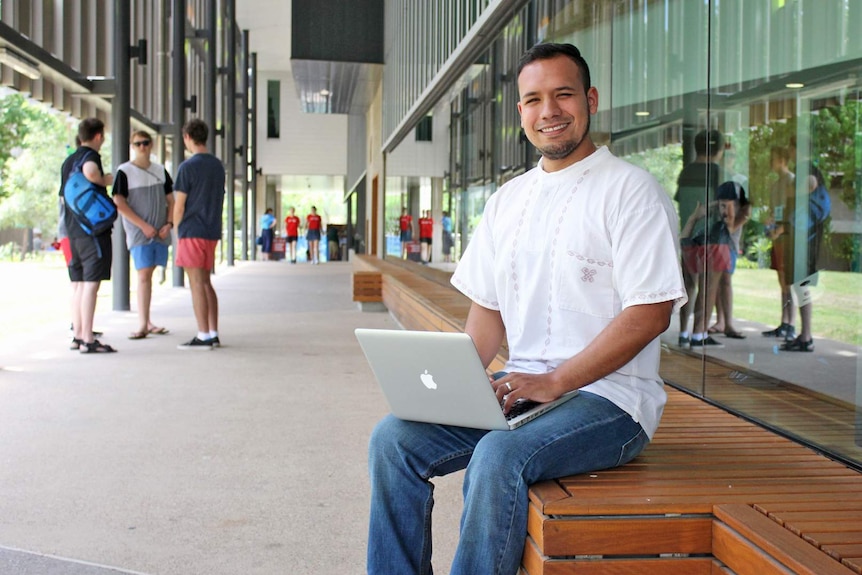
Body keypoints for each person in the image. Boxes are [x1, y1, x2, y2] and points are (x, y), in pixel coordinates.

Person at [366, 43, 685, 575]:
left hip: (611, 402)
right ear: (521, 113)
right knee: (393, 439)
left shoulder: (631, 191)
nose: (549, 111)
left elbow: (650, 313)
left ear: (590, 99)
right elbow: (488, 311)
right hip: (522, 390)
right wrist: (455, 386)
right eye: (534, 99)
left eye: (563, 94)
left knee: (496, 455)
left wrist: (556, 380)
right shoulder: (507, 200)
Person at [60, 118, 116, 354]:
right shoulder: (90, 157)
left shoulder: (68, 161)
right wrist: (105, 180)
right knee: (91, 285)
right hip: (92, 231)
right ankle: (87, 339)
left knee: (80, 285)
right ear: (98, 136)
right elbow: (91, 174)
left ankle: (78, 335)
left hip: (73, 231)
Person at [112, 130, 174, 340]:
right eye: (138, 144)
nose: (142, 147)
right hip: (139, 233)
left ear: (151, 145)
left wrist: (169, 223)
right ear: (132, 146)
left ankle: (147, 320)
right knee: (143, 274)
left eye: (146, 143)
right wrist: (142, 225)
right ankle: (142, 323)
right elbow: (119, 202)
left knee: (149, 274)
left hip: (160, 230)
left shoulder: (160, 170)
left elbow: (171, 200)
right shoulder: (125, 171)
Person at [173, 119, 225, 350]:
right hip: (211, 230)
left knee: (195, 283)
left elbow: (180, 204)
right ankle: (212, 331)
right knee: (205, 282)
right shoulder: (217, 166)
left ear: (187, 138)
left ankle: (203, 334)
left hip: (192, 230)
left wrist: (176, 229)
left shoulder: (187, 167)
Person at [674, 129, 725, 348]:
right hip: (711, 236)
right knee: (708, 286)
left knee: (688, 285)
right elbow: (724, 205)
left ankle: (683, 333)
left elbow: (681, 201)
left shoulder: (686, 172)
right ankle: (698, 334)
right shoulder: (716, 172)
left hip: (688, 234)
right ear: (719, 150)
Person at [679, 181, 742, 350]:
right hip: (714, 250)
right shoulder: (721, 226)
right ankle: (698, 335)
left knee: (697, 289)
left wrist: (699, 214)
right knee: (708, 291)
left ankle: (686, 334)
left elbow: (683, 241)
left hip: (701, 247)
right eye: (724, 205)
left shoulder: (716, 226)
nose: (726, 209)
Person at [781, 166, 831, 352]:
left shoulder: (814, 195)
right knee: (800, 287)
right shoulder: (818, 197)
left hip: (805, 246)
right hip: (805, 245)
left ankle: (806, 336)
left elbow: (799, 221)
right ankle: (804, 335)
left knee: (801, 287)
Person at [708, 147, 750, 338]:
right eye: (726, 155)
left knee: (725, 279)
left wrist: (734, 226)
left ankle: (728, 322)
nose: (729, 159)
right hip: (715, 236)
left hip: (730, 238)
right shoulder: (716, 178)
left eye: (732, 155)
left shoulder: (740, 181)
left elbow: (748, 209)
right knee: (716, 279)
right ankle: (721, 321)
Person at [762, 146, 797, 341]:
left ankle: (790, 323)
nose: (771, 162)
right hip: (777, 238)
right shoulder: (775, 185)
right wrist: (770, 223)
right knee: (782, 282)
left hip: (787, 237)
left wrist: (781, 229)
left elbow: (792, 212)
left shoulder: (791, 181)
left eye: (774, 158)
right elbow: (774, 210)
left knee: (788, 282)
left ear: (783, 160)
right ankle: (784, 322)